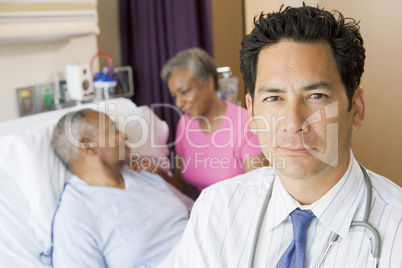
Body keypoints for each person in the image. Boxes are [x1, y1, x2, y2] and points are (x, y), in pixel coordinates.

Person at [174, 5, 402, 267]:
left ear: (357, 108)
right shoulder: (215, 211)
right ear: (251, 112)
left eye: (316, 96)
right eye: (273, 98)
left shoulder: (397, 227)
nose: (293, 124)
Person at [46, 109, 193, 268]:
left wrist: (161, 175)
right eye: (113, 130)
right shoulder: (75, 217)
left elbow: (196, 211)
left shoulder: (143, 175)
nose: (125, 135)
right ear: (87, 145)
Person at [161, 48, 268, 196]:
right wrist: (159, 174)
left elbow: (257, 194)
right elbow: (185, 188)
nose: (178, 102)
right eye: (175, 95)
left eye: (184, 91)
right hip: (198, 214)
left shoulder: (246, 125)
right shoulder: (185, 124)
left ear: (209, 82)